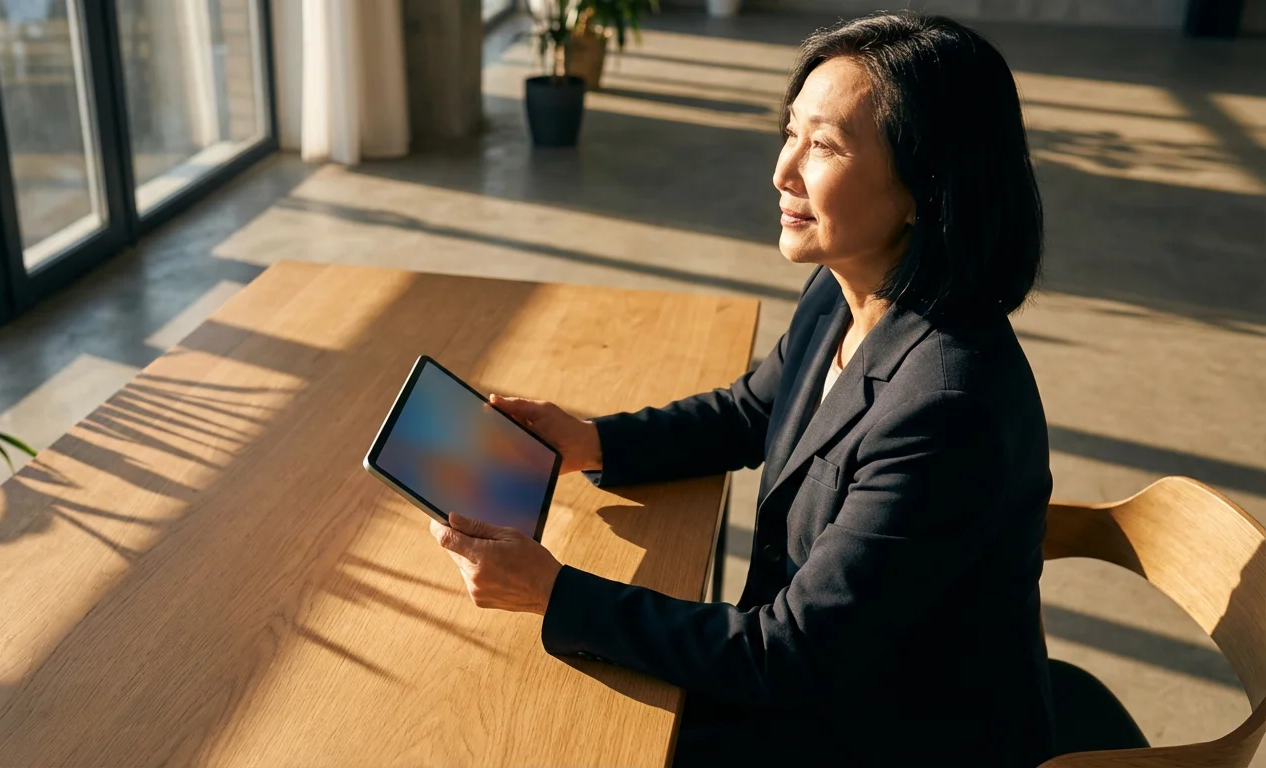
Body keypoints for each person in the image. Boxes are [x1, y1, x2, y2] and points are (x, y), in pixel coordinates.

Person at [430, 11, 1054, 767]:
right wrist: (592, 440)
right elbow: (753, 409)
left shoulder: (949, 407)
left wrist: (555, 594)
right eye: (790, 132)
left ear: (925, 186)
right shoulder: (846, 289)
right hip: (816, 679)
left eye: (823, 145)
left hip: (886, 732)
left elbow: (790, 654)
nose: (783, 172)